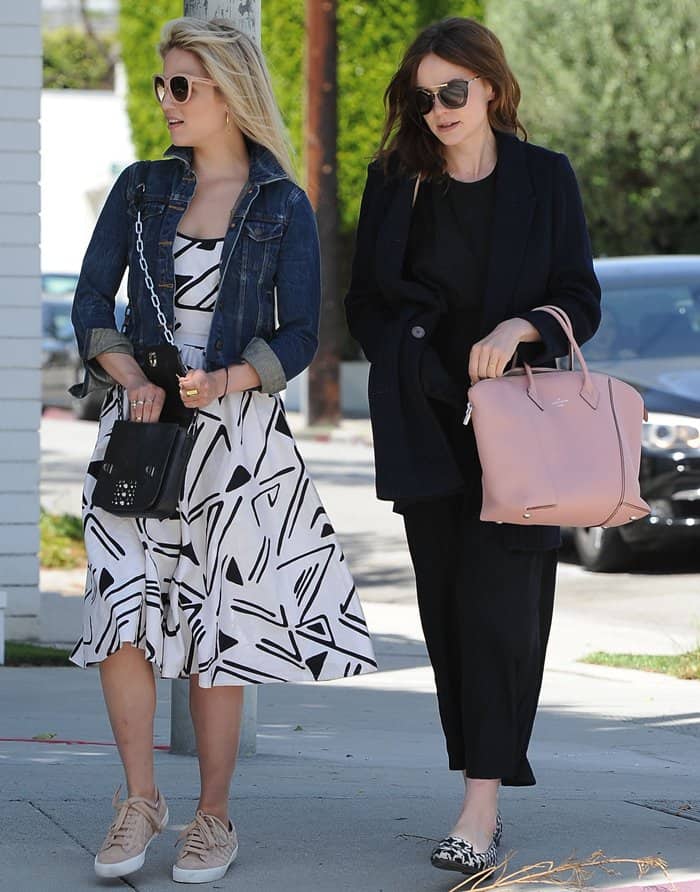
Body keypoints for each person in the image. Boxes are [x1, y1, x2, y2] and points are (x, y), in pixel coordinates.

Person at [70, 17, 376, 885]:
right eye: (162, 84)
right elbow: (93, 303)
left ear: (228, 93)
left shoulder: (281, 206)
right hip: (139, 431)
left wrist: (233, 377)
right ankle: (139, 800)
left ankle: (212, 817)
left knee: (216, 624)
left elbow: (303, 331)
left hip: (233, 444)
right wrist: (130, 372)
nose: (164, 101)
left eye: (180, 86)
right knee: (116, 608)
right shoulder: (138, 191)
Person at [345, 17, 600, 879]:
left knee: (501, 615)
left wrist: (520, 326)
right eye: (425, 97)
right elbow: (365, 303)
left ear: (491, 85)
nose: (440, 108)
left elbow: (580, 298)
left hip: (522, 431)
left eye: (454, 90)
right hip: (427, 426)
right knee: (449, 618)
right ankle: (476, 782)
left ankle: (480, 808)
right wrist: (411, 349)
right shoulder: (396, 181)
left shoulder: (544, 179)